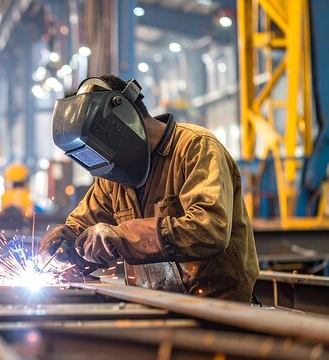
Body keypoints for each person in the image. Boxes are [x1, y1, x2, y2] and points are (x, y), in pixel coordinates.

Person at [38, 75, 259, 302]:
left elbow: (209, 230)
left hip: (217, 308)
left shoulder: (196, 147)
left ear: (122, 119)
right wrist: (62, 246)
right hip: (152, 306)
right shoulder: (114, 173)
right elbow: (83, 226)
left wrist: (120, 237)